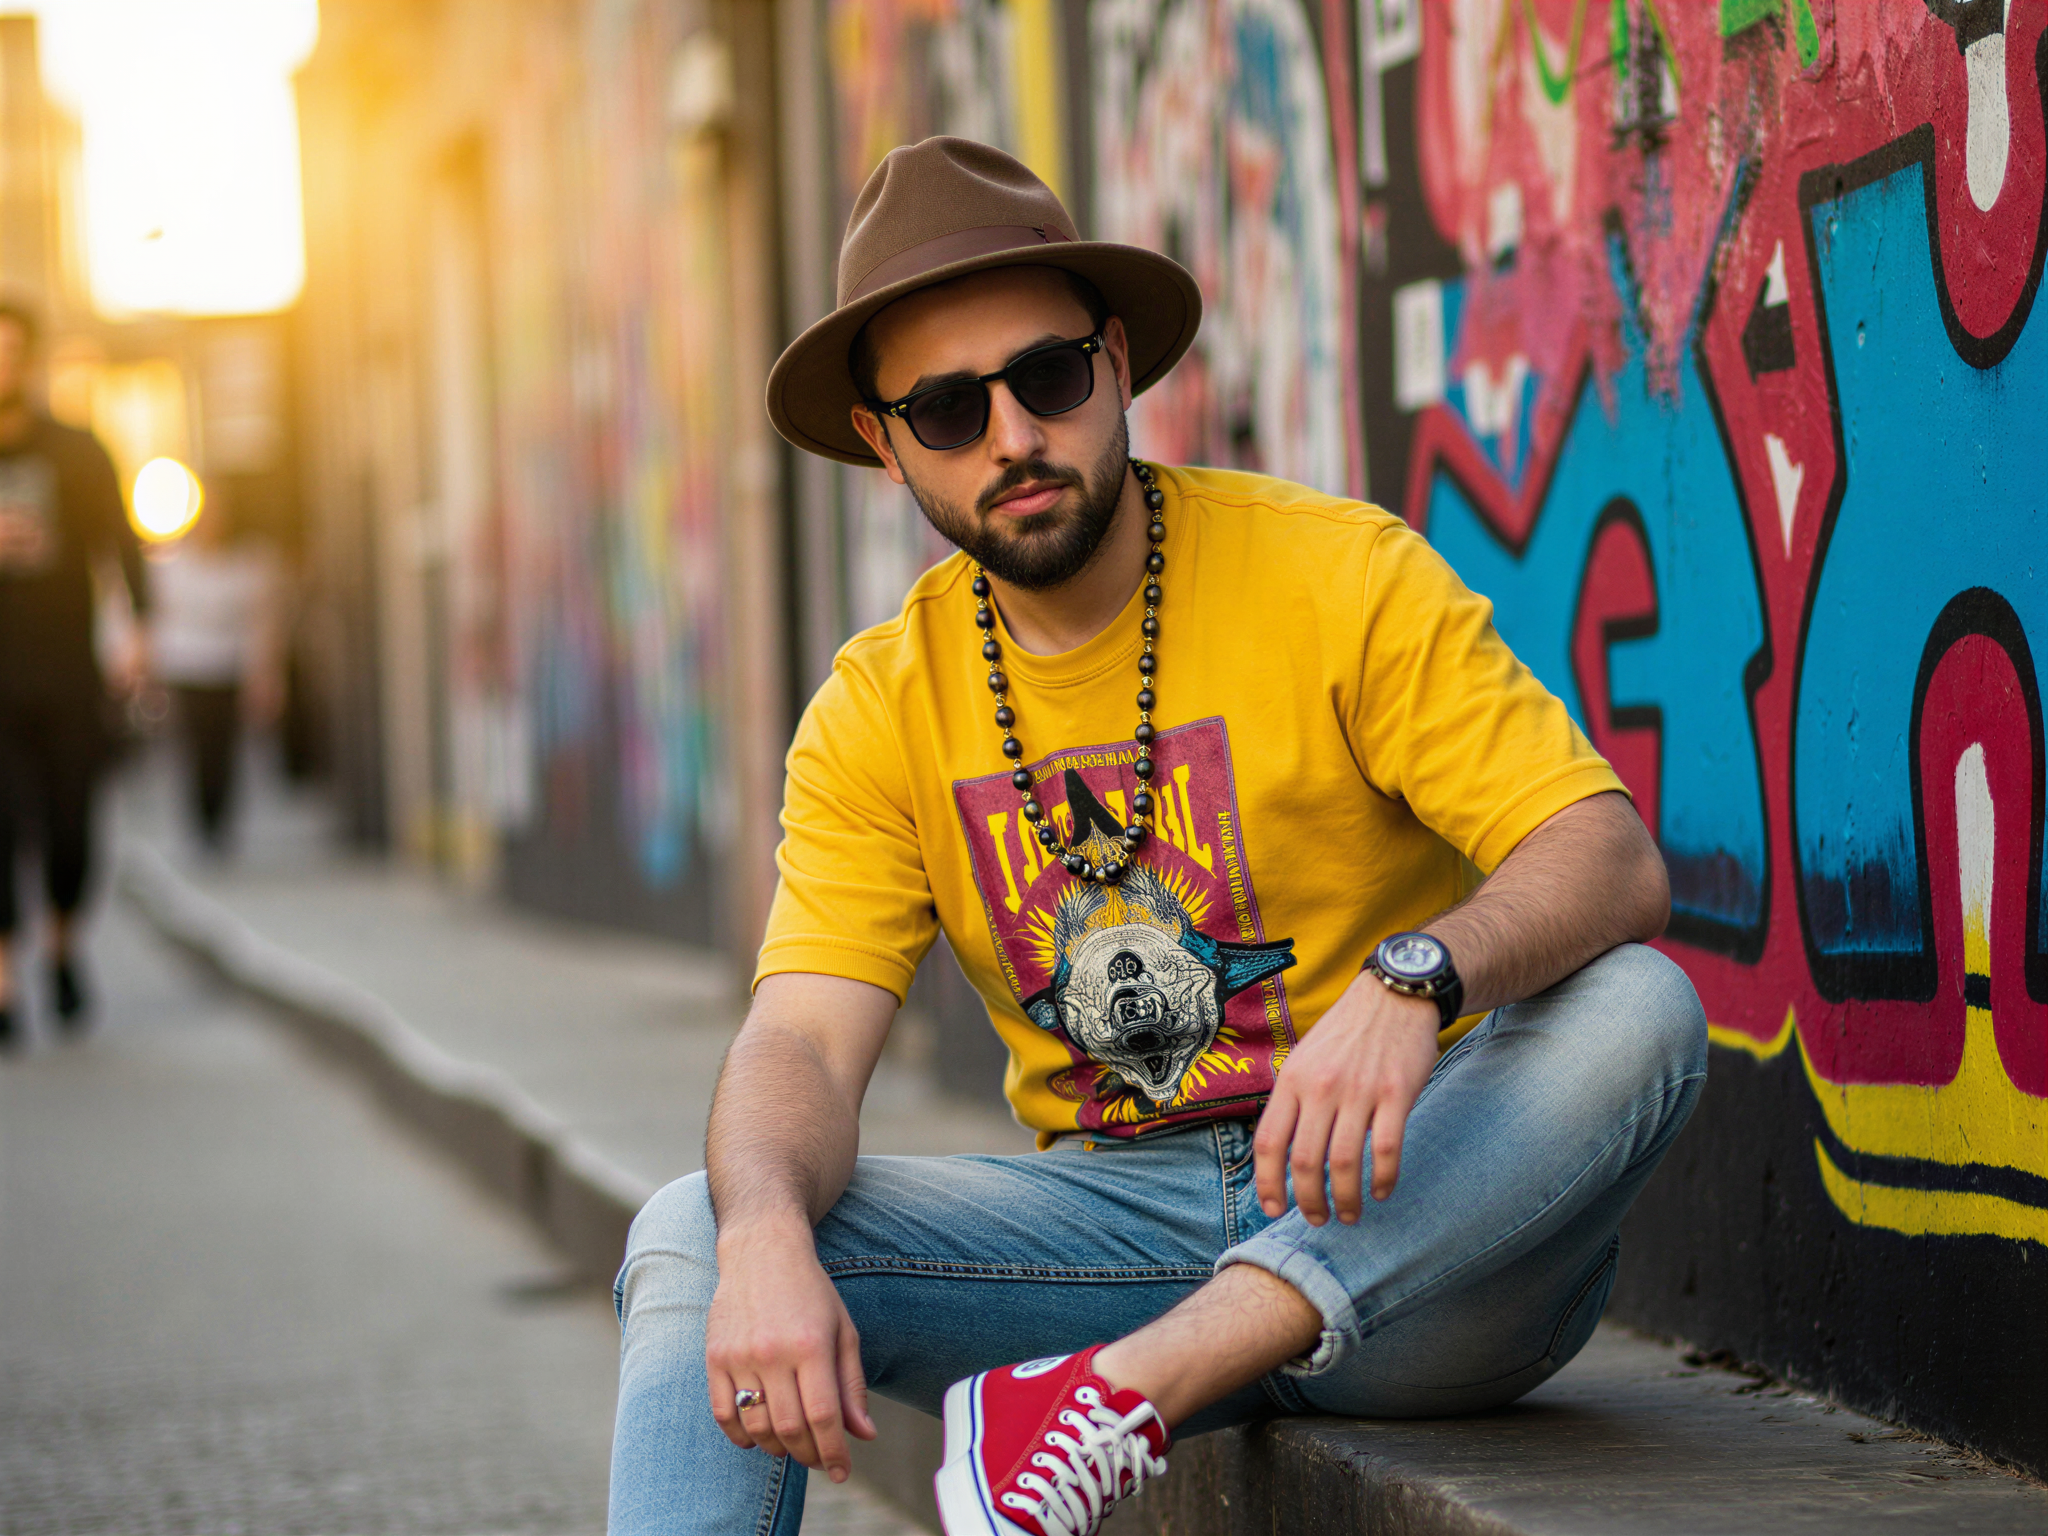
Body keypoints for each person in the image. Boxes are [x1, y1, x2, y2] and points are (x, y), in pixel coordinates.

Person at [608, 139, 1706, 1536]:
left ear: (1117, 361)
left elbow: (1606, 857)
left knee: (1642, 1008)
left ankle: (1124, 1398)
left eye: (1047, 378)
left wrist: (1416, 981)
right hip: (1125, 1237)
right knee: (699, 1225)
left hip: (1414, 1235)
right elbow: (803, 1045)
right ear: (885, 446)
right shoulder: (879, 710)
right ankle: (1116, 1382)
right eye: (947, 410)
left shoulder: (1333, 574)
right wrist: (764, 1235)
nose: (1013, 436)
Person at [0, 299, 149, 1050]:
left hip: (66, 670)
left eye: (11, 349)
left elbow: (118, 545)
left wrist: (136, 635)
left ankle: (59, 946)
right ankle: (1, 978)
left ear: (30, 359)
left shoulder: (76, 451)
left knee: (69, 821)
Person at [149, 492, 282, 853]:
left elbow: (261, 622)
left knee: (224, 749)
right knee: (194, 749)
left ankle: (221, 823)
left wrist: (264, 674)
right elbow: (155, 619)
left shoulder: (247, 564)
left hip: (228, 669)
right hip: (186, 670)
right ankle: (200, 821)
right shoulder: (171, 566)